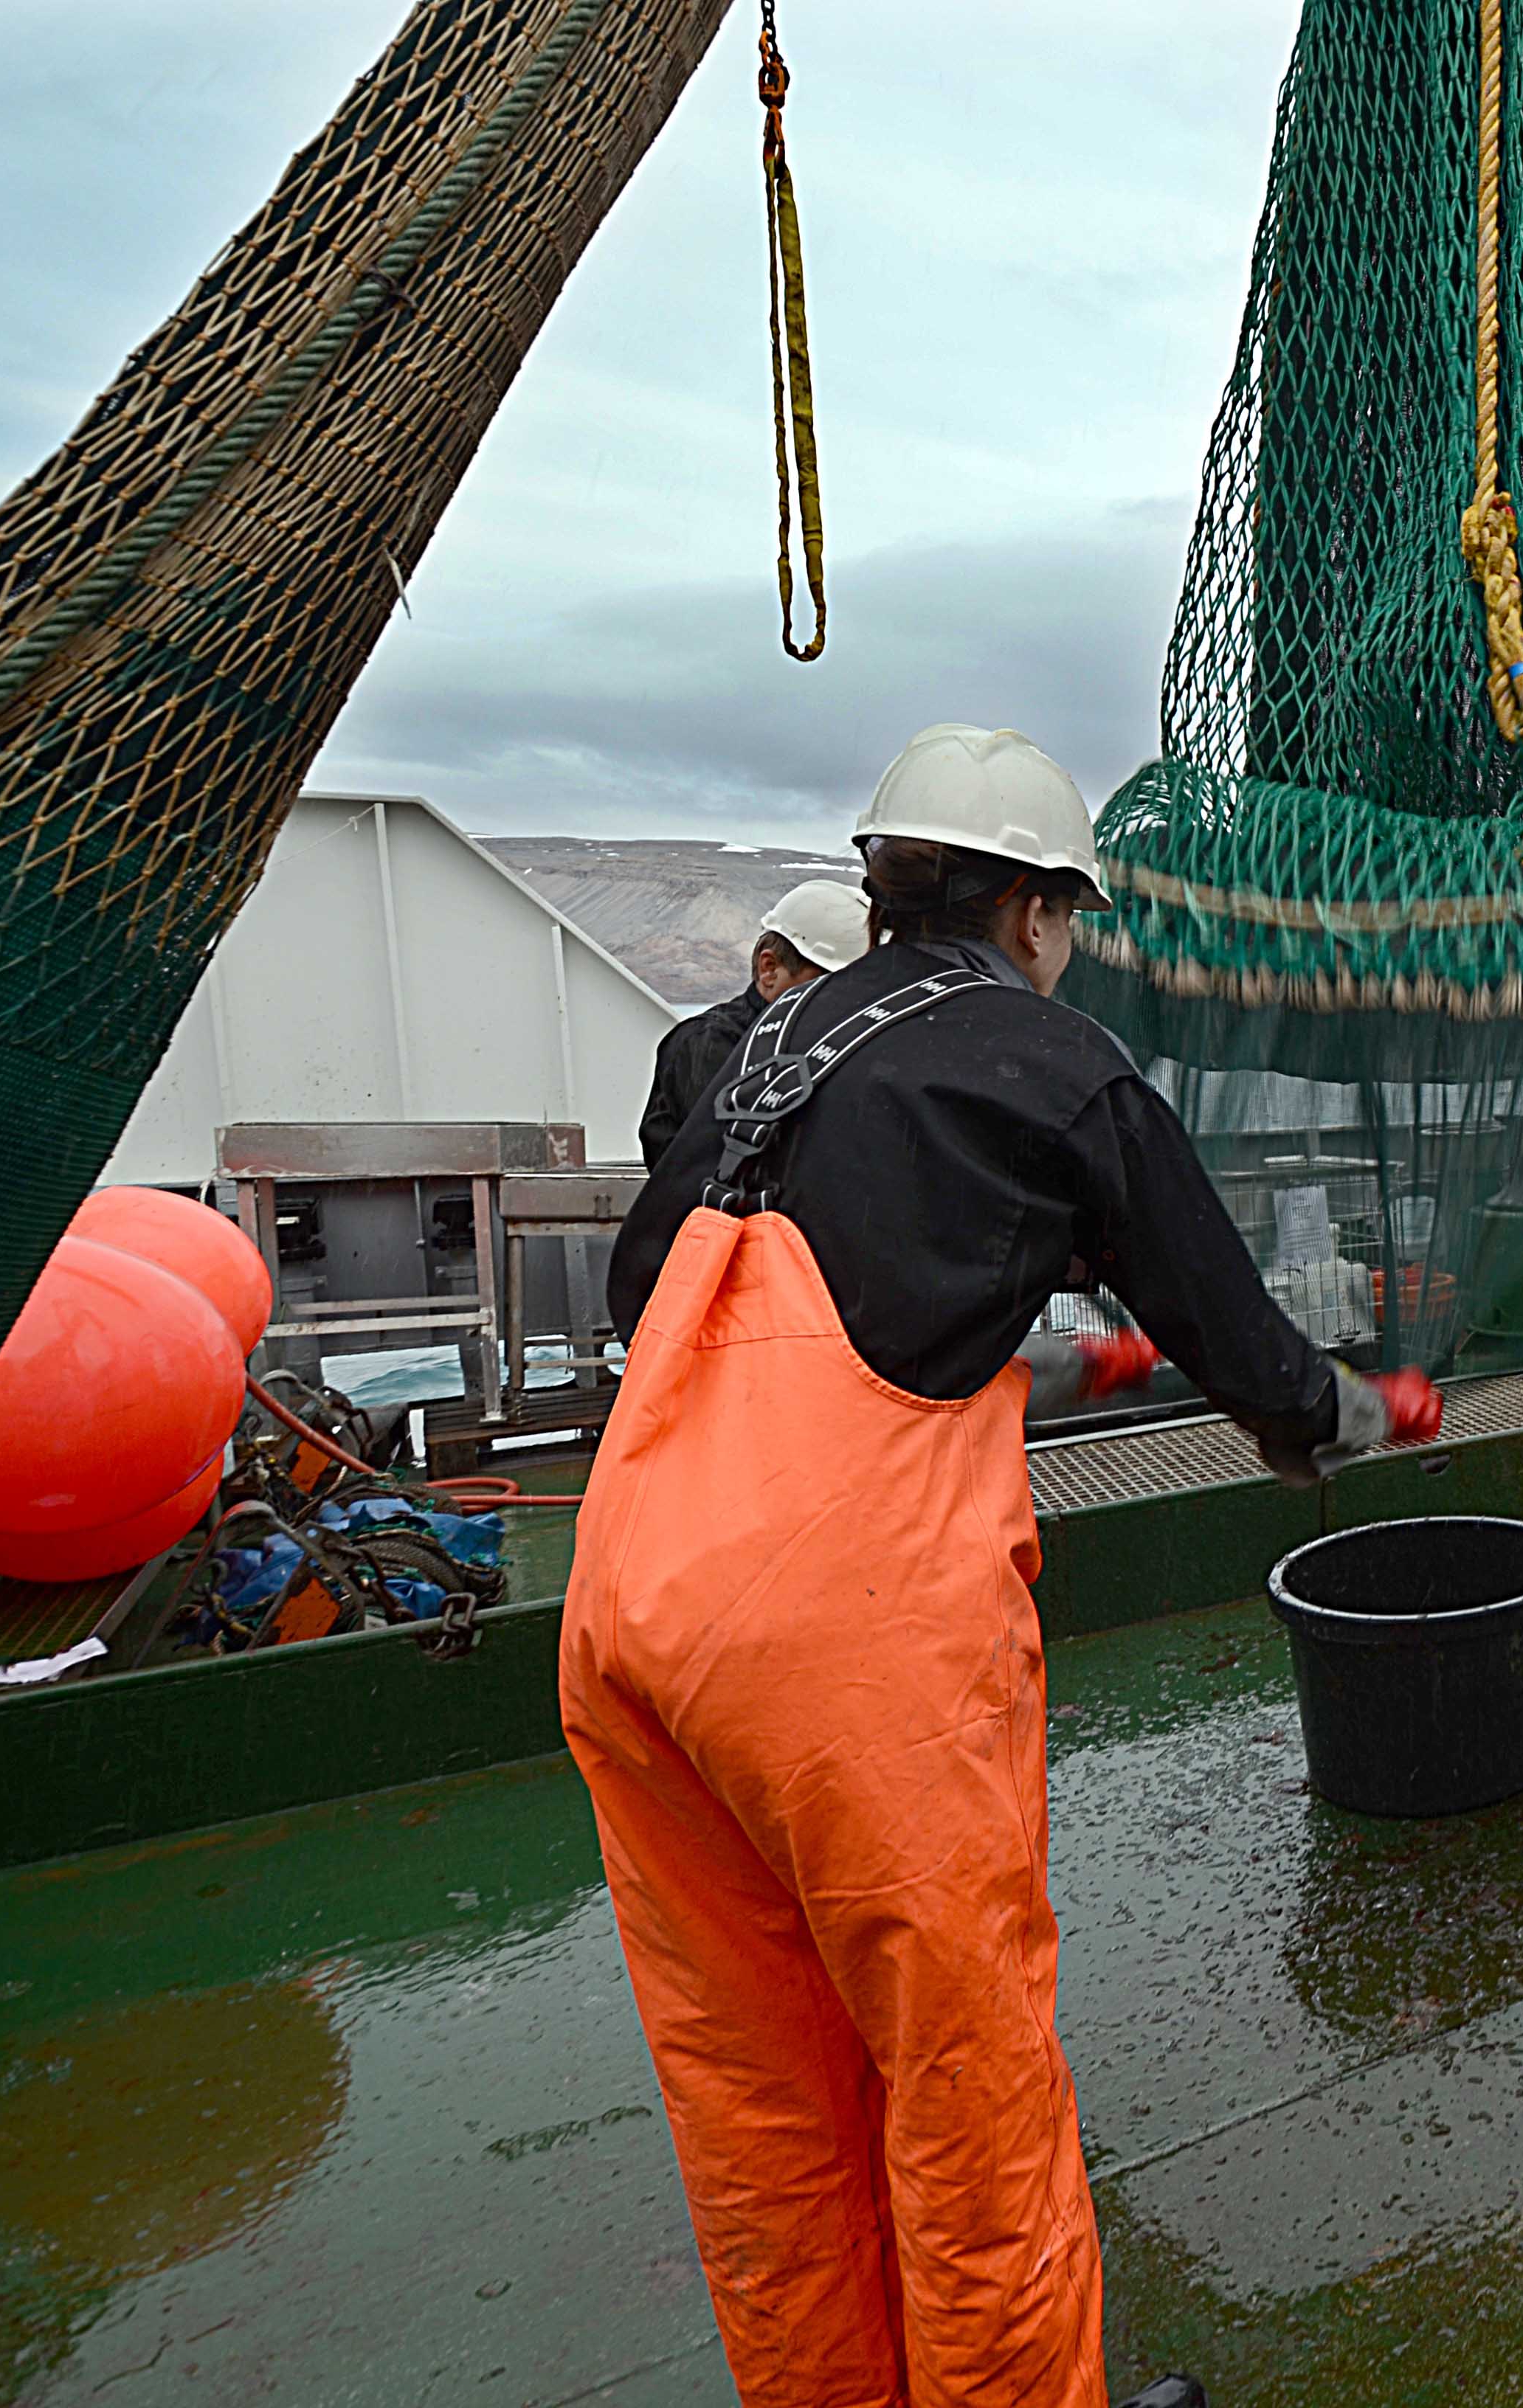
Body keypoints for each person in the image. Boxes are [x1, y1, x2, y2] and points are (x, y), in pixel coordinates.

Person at [569, 724, 1437, 2408]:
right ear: (1039, 908)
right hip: (838, 1656)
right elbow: (1243, 1347)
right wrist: (1339, 1409)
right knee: (971, 2102)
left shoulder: (759, 1050)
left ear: (886, 882)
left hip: (626, 1614)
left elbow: (674, 1306)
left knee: (767, 2106)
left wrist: (1026, 1364)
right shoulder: (1056, 1062)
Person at [635, 877, 870, 1165]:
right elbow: (725, 1164)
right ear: (769, 969)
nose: (847, 1003)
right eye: (830, 986)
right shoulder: (708, 1044)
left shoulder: (831, 1047)